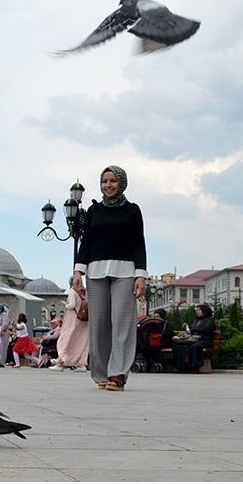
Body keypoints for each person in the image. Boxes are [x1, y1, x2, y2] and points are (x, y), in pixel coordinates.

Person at [70, 165, 148, 392]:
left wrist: (141, 275)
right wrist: (78, 271)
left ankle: (118, 374)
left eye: (113, 181)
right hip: (96, 272)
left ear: (121, 183)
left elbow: (139, 243)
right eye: (104, 181)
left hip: (125, 272)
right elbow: (86, 241)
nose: (108, 185)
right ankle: (102, 374)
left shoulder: (132, 210)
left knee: (122, 323)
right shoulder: (94, 211)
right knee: (99, 325)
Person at [53, 286, 90, 371]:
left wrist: (66, 305)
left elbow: (72, 305)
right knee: (82, 342)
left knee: (64, 340)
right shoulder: (85, 292)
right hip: (84, 319)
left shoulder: (73, 291)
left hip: (73, 318)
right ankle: (82, 364)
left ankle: (61, 361)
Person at [172, 303, 216, 373]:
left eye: (199, 310)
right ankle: (181, 366)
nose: (197, 312)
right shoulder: (196, 320)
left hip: (204, 340)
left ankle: (194, 367)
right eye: (196, 310)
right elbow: (191, 329)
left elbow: (207, 329)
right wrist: (187, 331)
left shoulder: (209, 320)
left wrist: (194, 330)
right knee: (178, 345)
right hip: (194, 338)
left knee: (194, 347)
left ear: (204, 311)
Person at [0, 303, 12, 368]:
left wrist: (1, 330)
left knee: (3, 348)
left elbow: (5, 324)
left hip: (4, 332)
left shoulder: (5, 315)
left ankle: (2, 362)